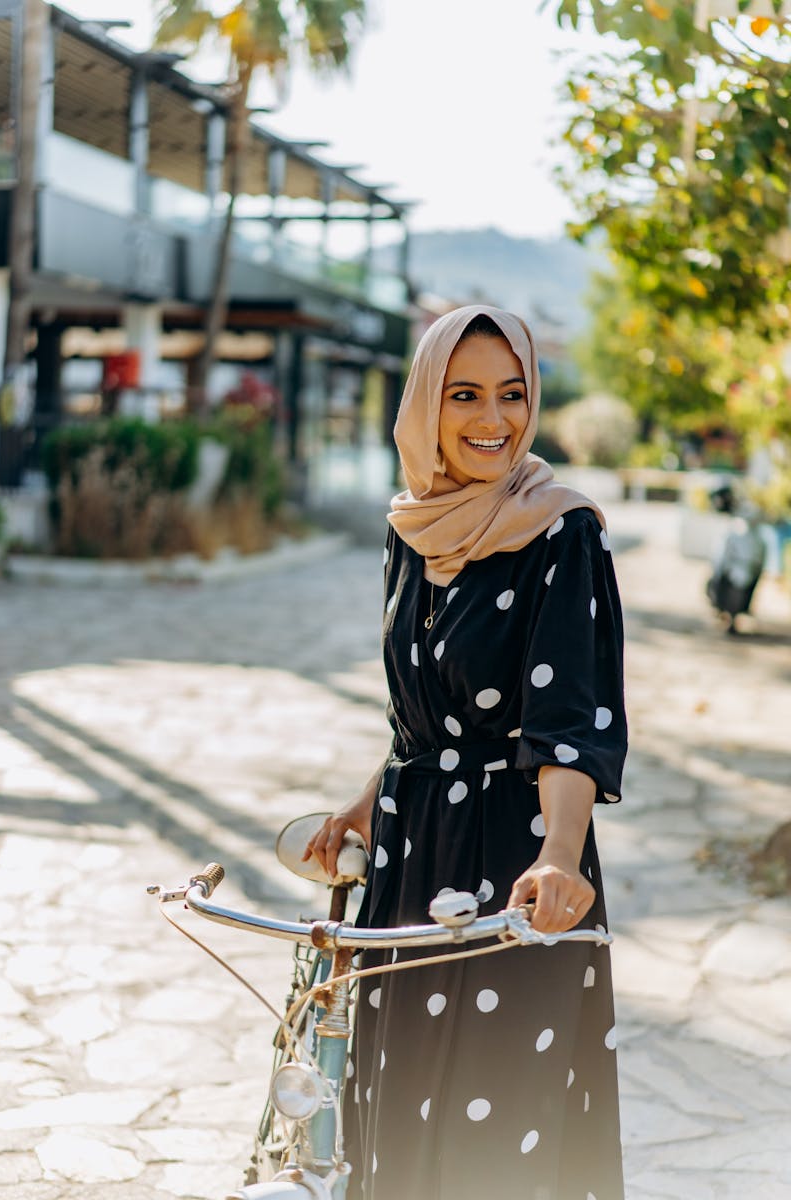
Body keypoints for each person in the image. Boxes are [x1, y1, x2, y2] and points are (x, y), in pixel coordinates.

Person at [304, 305, 627, 1200]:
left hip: (515, 862)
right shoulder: (412, 529)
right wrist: (367, 801)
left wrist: (559, 858)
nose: (493, 420)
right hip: (407, 858)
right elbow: (424, 719)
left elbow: (569, 717)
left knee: (498, 1135)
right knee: (395, 1118)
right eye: (465, 395)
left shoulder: (563, 530)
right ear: (424, 407)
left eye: (512, 395)